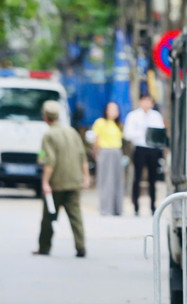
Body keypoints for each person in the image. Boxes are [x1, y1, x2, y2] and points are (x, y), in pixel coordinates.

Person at [34, 101, 90, 258]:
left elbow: (48, 160)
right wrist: (86, 177)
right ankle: (81, 246)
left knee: (49, 217)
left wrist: (45, 182)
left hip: (56, 183)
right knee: (76, 215)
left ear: (45, 117)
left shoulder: (48, 135)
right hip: (75, 180)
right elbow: (82, 156)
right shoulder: (72, 132)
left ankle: (44, 247)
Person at [123, 95, 165, 215]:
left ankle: (153, 206)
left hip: (153, 148)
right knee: (137, 177)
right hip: (140, 147)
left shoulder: (156, 116)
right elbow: (127, 134)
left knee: (153, 178)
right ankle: (136, 206)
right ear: (140, 102)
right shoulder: (133, 115)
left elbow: (160, 132)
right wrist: (142, 132)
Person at [92, 102, 125, 216]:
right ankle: (105, 208)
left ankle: (117, 209)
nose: (113, 112)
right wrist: (97, 153)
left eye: (115, 110)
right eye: (111, 109)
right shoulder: (100, 122)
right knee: (106, 180)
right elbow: (96, 139)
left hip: (117, 152)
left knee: (117, 181)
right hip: (105, 152)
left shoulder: (118, 124)